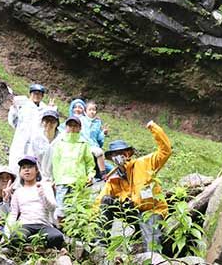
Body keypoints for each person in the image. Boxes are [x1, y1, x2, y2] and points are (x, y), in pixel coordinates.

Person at [97, 120, 171, 251]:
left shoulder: (144, 163)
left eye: (122, 153)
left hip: (151, 211)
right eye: (115, 154)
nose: (119, 157)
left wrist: (153, 127)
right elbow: (99, 202)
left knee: (151, 245)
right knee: (106, 200)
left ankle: (153, 257)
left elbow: (165, 151)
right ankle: (101, 245)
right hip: (131, 213)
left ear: (128, 154)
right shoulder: (113, 179)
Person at [6, 156, 64, 249]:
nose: (27, 170)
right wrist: (7, 232)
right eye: (24, 168)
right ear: (20, 172)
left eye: (30, 167)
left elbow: (52, 208)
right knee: (16, 238)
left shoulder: (45, 186)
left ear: (36, 170)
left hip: (43, 225)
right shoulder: (18, 192)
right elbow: (13, 213)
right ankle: (34, 244)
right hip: (25, 225)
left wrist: (43, 195)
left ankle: (32, 244)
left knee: (57, 237)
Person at [50, 115, 95, 222]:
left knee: (77, 210)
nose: (72, 128)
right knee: (61, 210)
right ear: (66, 127)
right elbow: (56, 162)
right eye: (70, 125)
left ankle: (75, 235)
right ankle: (61, 234)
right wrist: (55, 179)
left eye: (75, 126)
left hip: (78, 182)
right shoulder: (60, 142)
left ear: (80, 128)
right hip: (62, 181)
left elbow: (89, 162)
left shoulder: (84, 143)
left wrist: (90, 175)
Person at [7, 84, 48, 167]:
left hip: (37, 144)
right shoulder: (23, 106)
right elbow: (13, 122)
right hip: (21, 142)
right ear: (30, 94)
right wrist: (14, 108)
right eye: (35, 93)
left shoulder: (45, 109)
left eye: (39, 94)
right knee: (16, 165)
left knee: (33, 167)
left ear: (42, 96)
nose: (37, 96)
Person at [30, 108, 60, 180]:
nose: (49, 124)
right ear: (42, 122)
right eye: (46, 121)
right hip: (40, 177)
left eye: (52, 121)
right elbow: (32, 158)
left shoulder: (62, 139)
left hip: (58, 178)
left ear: (57, 124)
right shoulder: (36, 139)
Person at [81, 100, 108, 177]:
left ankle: (103, 174)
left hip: (93, 145)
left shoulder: (97, 123)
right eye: (90, 109)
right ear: (85, 111)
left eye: (94, 110)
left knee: (99, 152)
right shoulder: (81, 120)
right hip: (82, 144)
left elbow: (99, 139)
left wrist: (103, 133)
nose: (92, 112)